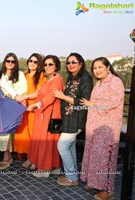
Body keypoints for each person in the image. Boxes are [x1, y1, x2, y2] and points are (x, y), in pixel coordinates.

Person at [80, 57, 124, 200]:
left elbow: (114, 101)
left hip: (108, 127)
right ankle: (94, 182)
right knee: (94, 155)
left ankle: (108, 189)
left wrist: (93, 104)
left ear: (108, 68)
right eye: (95, 68)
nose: (97, 70)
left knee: (106, 157)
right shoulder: (98, 83)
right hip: (94, 126)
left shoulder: (115, 82)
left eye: (100, 67)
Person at [52, 53, 93, 186]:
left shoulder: (85, 78)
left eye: (74, 62)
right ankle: (73, 175)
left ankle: (72, 177)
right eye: (68, 62)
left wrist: (62, 96)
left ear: (81, 63)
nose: (70, 65)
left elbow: (83, 102)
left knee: (62, 145)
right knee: (70, 147)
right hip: (68, 118)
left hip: (77, 118)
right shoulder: (72, 77)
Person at [27, 55, 63, 178]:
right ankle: (54, 167)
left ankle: (44, 169)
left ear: (56, 66)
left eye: (50, 64)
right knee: (49, 141)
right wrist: (26, 97)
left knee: (47, 141)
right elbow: (39, 93)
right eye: (46, 64)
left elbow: (50, 99)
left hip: (49, 114)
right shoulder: (49, 79)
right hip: (44, 114)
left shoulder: (57, 80)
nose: (47, 67)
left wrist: (35, 106)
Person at [14, 53, 47, 167]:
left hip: (34, 108)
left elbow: (39, 92)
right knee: (24, 133)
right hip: (23, 108)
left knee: (34, 134)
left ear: (39, 64)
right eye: (30, 61)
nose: (32, 63)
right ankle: (29, 157)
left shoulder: (42, 76)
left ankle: (34, 159)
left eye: (35, 62)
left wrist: (26, 96)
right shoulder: (23, 74)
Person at [0, 52, 27, 170]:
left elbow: (24, 89)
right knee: (3, 131)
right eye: (8, 61)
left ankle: (8, 156)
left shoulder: (19, 74)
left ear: (16, 63)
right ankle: (6, 156)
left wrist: (12, 94)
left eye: (12, 61)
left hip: (15, 105)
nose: (10, 63)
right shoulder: (0, 75)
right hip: (2, 106)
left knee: (11, 131)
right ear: (4, 62)